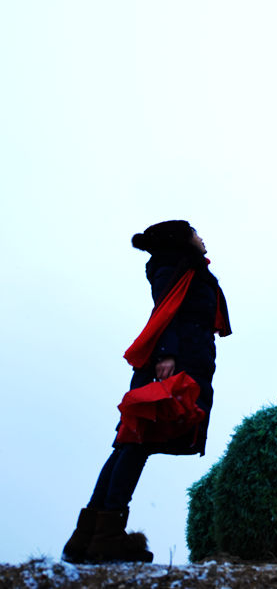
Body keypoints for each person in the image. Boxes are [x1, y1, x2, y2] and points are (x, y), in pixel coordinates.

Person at [62, 220, 231, 563]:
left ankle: (88, 536)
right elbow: (166, 310)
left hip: (183, 359)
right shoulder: (172, 266)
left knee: (130, 445)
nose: (202, 238)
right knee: (135, 444)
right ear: (181, 239)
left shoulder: (182, 266)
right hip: (174, 363)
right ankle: (105, 535)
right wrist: (166, 354)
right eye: (195, 233)